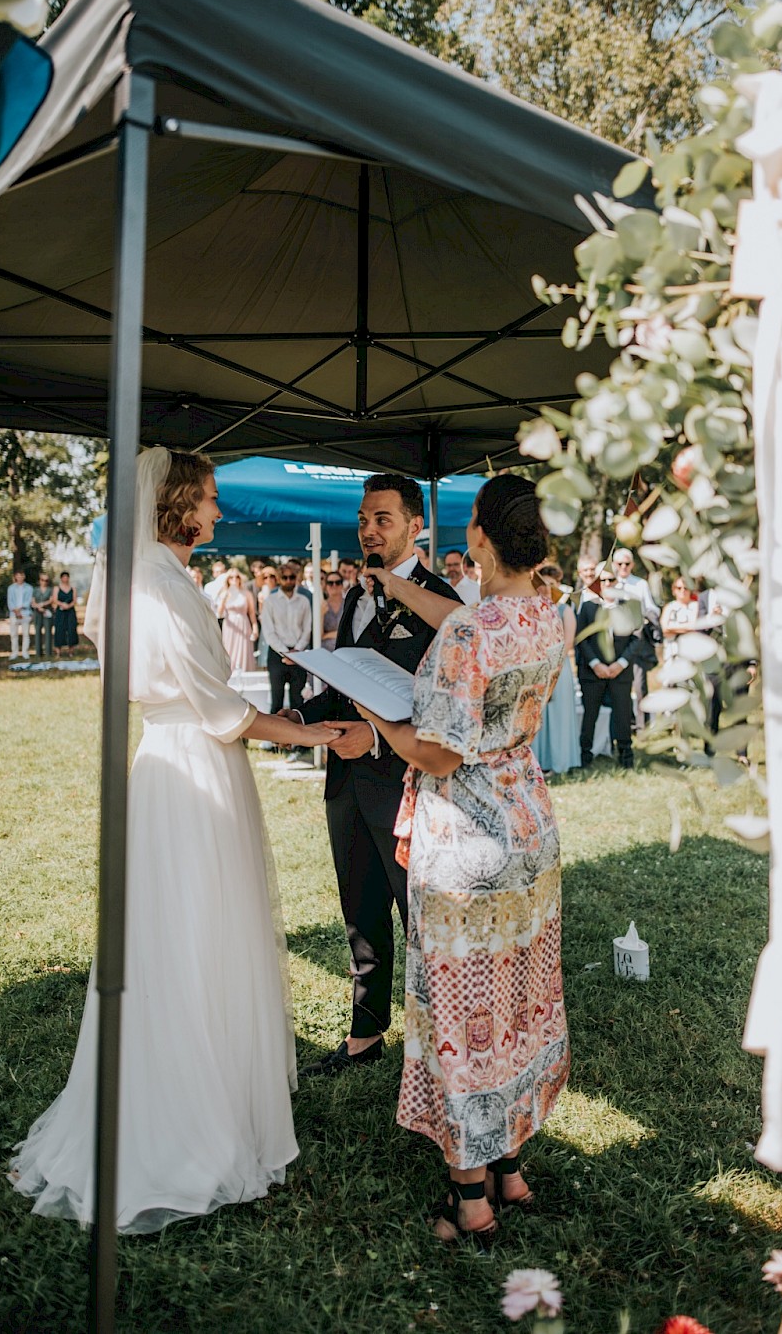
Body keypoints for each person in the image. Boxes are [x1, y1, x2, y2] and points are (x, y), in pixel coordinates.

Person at [9, 448, 339, 1233]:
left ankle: (199, 1087)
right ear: (181, 504)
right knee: (195, 933)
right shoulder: (162, 583)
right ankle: (190, 1119)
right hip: (193, 764)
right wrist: (310, 730)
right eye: (212, 500)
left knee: (179, 931)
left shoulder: (149, 578)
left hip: (169, 762)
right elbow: (219, 705)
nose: (220, 513)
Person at [357, 474, 569, 1246]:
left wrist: (371, 705)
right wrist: (399, 590)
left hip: (469, 839)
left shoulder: (468, 638)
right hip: (528, 825)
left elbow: (436, 753)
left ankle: (470, 1195)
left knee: (463, 1015)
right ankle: (510, 1163)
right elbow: (473, 620)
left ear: (478, 536)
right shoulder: (548, 616)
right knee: (515, 1002)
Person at [293, 474, 459, 1076]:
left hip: (403, 786)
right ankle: (365, 1038)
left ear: (417, 526)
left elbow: (443, 703)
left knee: (419, 917)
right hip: (345, 783)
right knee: (360, 913)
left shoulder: (444, 602)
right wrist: (301, 714)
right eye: (364, 518)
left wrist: (379, 743)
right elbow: (349, 679)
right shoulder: (353, 594)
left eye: (383, 519)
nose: (369, 529)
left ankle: (437, 1044)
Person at [575, 560, 635, 769]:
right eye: (603, 580)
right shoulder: (588, 608)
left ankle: (626, 756)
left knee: (623, 714)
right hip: (593, 673)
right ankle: (585, 756)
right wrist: (595, 663)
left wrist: (621, 663)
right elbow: (581, 638)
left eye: (612, 579)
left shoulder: (629, 607)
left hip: (621, 672)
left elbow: (636, 638)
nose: (608, 583)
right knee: (590, 715)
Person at [532, 563, 581, 775]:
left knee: (558, 715)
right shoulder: (532, 610)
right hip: (537, 669)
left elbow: (568, 643)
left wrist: (550, 664)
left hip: (558, 669)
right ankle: (539, 762)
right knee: (539, 716)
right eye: (543, 584)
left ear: (558, 585)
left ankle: (559, 761)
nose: (547, 589)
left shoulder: (565, 609)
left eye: (552, 584)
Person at [607, 548, 661, 730]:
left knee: (639, 684)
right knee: (619, 685)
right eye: (619, 563)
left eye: (627, 564)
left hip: (636, 640)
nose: (623, 567)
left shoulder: (640, 584)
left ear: (632, 565)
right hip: (614, 641)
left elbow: (653, 608)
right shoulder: (608, 583)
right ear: (614, 564)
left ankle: (642, 725)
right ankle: (625, 722)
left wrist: (644, 616)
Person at [261, 561, 311, 712]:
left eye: (292, 577)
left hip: (299, 653)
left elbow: (307, 629)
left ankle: (298, 734)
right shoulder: (270, 601)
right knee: (277, 700)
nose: (288, 580)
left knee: (298, 700)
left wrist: (296, 650)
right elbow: (269, 631)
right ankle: (274, 734)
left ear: (296, 578)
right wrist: (285, 652)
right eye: (285, 577)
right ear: (279, 578)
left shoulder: (304, 601)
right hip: (277, 654)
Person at [217, 568, 258, 673]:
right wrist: (224, 599)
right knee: (229, 651)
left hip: (243, 623)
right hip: (230, 625)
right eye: (231, 577)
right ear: (228, 579)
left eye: (237, 577)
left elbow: (252, 613)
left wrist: (255, 629)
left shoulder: (246, 593)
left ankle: (244, 675)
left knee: (243, 651)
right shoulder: (224, 593)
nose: (234, 579)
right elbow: (219, 614)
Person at [660, 577, 699, 661]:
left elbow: (694, 627)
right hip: (671, 651)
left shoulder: (696, 606)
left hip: (691, 651)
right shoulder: (669, 607)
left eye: (686, 588)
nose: (683, 590)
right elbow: (664, 629)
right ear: (674, 590)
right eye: (679, 588)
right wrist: (686, 628)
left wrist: (671, 627)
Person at [7, 569, 34, 660]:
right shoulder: (11, 588)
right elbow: (10, 601)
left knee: (26, 634)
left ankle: (25, 652)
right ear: (15, 577)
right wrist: (16, 611)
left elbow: (28, 601)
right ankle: (14, 652)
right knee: (13, 634)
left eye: (21, 575)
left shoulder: (29, 588)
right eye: (18, 576)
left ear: (24, 576)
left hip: (25, 613)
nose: (20, 577)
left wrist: (21, 609)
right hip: (14, 613)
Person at [53, 572, 79, 658]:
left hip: (70, 612)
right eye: (63, 577)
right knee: (59, 630)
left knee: (71, 630)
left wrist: (68, 606)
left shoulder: (73, 588)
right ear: (61, 578)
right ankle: (58, 652)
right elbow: (55, 599)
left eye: (67, 577)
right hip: (60, 612)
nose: (65, 579)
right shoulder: (57, 588)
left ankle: (71, 652)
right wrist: (62, 604)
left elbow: (74, 600)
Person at [32, 573, 56, 658]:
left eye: (46, 580)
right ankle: (38, 653)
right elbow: (33, 601)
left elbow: (51, 600)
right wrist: (38, 607)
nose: (44, 582)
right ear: (40, 580)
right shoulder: (35, 590)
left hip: (47, 612)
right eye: (42, 580)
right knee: (37, 632)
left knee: (48, 632)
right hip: (37, 612)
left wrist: (42, 605)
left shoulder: (50, 590)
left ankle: (48, 652)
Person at [321, 570, 345, 649]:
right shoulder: (321, 605)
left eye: (337, 582)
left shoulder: (348, 604)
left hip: (345, 649)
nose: (334, 585)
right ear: (326, 586)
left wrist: (327, 635)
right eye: (330, 583)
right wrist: (321, 615)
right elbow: (319, 635)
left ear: (342, 585)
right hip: (326, 651)